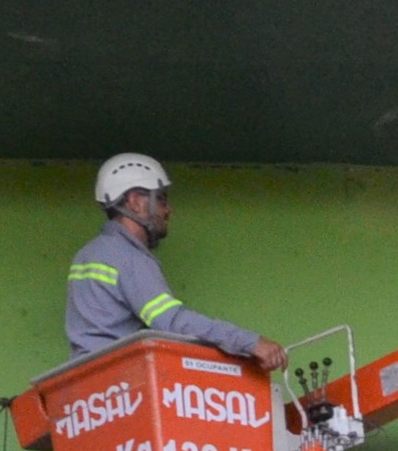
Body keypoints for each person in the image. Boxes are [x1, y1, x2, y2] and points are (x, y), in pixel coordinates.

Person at [66, 152, 286, 372]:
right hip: (117, 381)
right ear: (134, 202)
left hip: (92, 385)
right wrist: (250, 342)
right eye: (160, 199)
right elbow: (171, 322)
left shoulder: (88, 254)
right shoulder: (126, 255)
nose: (168, 210)